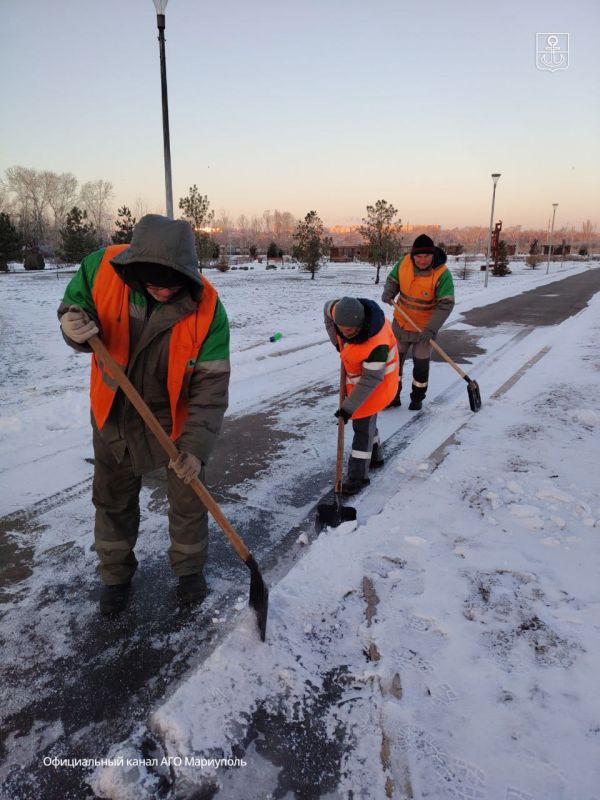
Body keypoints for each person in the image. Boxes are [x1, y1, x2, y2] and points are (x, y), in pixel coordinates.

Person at [58, 214, 230, 615]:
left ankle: (189, 571)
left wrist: (195, 447)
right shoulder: (100, 268)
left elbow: (211, 388)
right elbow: (75, 308)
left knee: (189, 497)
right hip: (114, 411)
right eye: (153, 282)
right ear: (134, 269)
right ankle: (115, 576)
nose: (163, 290)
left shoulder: (207, 309)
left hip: (175, 418)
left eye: (172, 283)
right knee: (113, 498)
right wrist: (72, 326)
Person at [324, 296, 399, 495]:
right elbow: (327, 310)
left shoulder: (376, 344)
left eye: (348, 330)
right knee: (367, 422)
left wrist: (347, 408)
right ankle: (376, 457)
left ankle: (358, 477)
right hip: (363, 382)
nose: (343, 332)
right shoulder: (339, 314)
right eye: (340, 327)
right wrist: (337, 341)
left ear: (359, 324)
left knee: (362, 428)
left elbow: (370, 381)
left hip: (378, 386)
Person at [381, 234, 455, 410]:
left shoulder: (442, 274)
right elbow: (393, 279)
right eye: (419, 256)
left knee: (420, 367)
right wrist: (389, 291)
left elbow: (446, 304)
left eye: (427, 256)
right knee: (394, 365)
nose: (422, 260)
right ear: (413, 255)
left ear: (433, 254)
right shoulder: (404, 263)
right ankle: (392, 397)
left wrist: (430, 329)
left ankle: (417, 397)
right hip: (401, 324)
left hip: (424, 330)